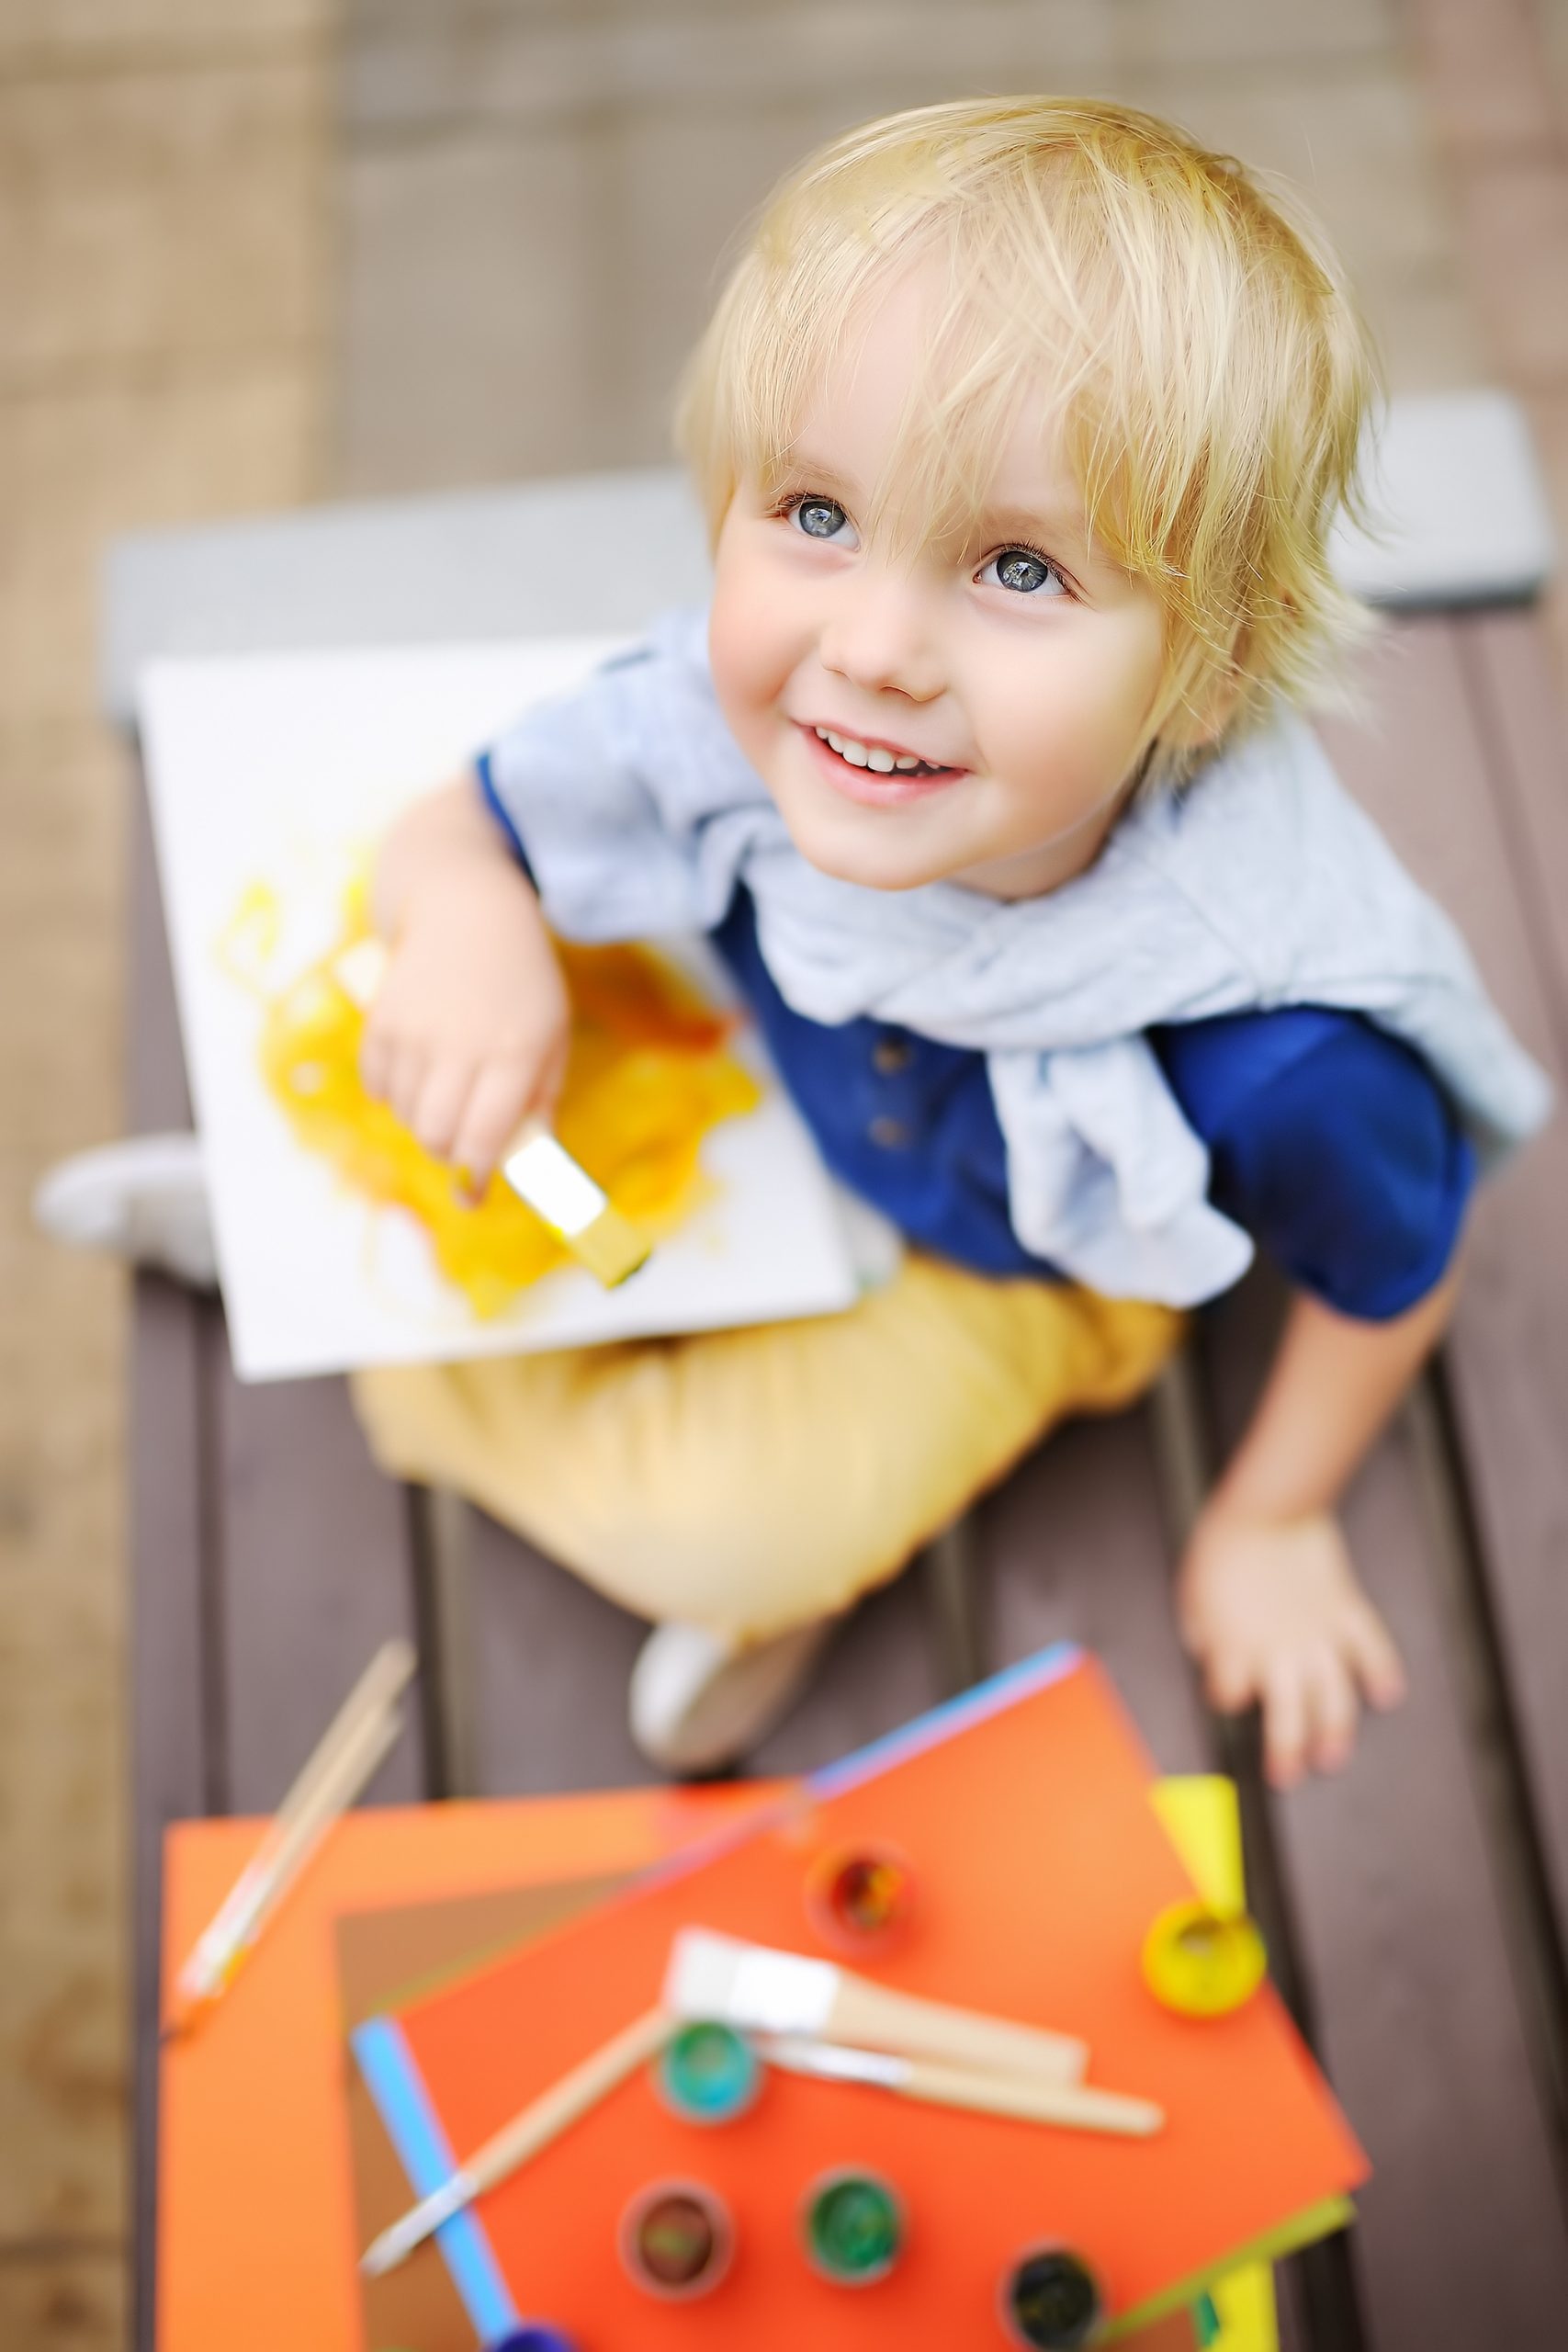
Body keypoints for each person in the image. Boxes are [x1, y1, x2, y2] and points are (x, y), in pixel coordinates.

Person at [42, 97, 1549, 1785]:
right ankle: (323, 1231)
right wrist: (468, 915)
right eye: (818, 516)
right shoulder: (733, 722)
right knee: (470, 1043)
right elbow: (460, 824)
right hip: (788, 1069)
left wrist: (1272, 1517)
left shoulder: (1278, 1045)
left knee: (721, 1529)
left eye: (1019, 566)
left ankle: (371, 1307)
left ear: (1206, 671)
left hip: (1029, 1262)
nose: (875, 647)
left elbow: (1393, 1280)